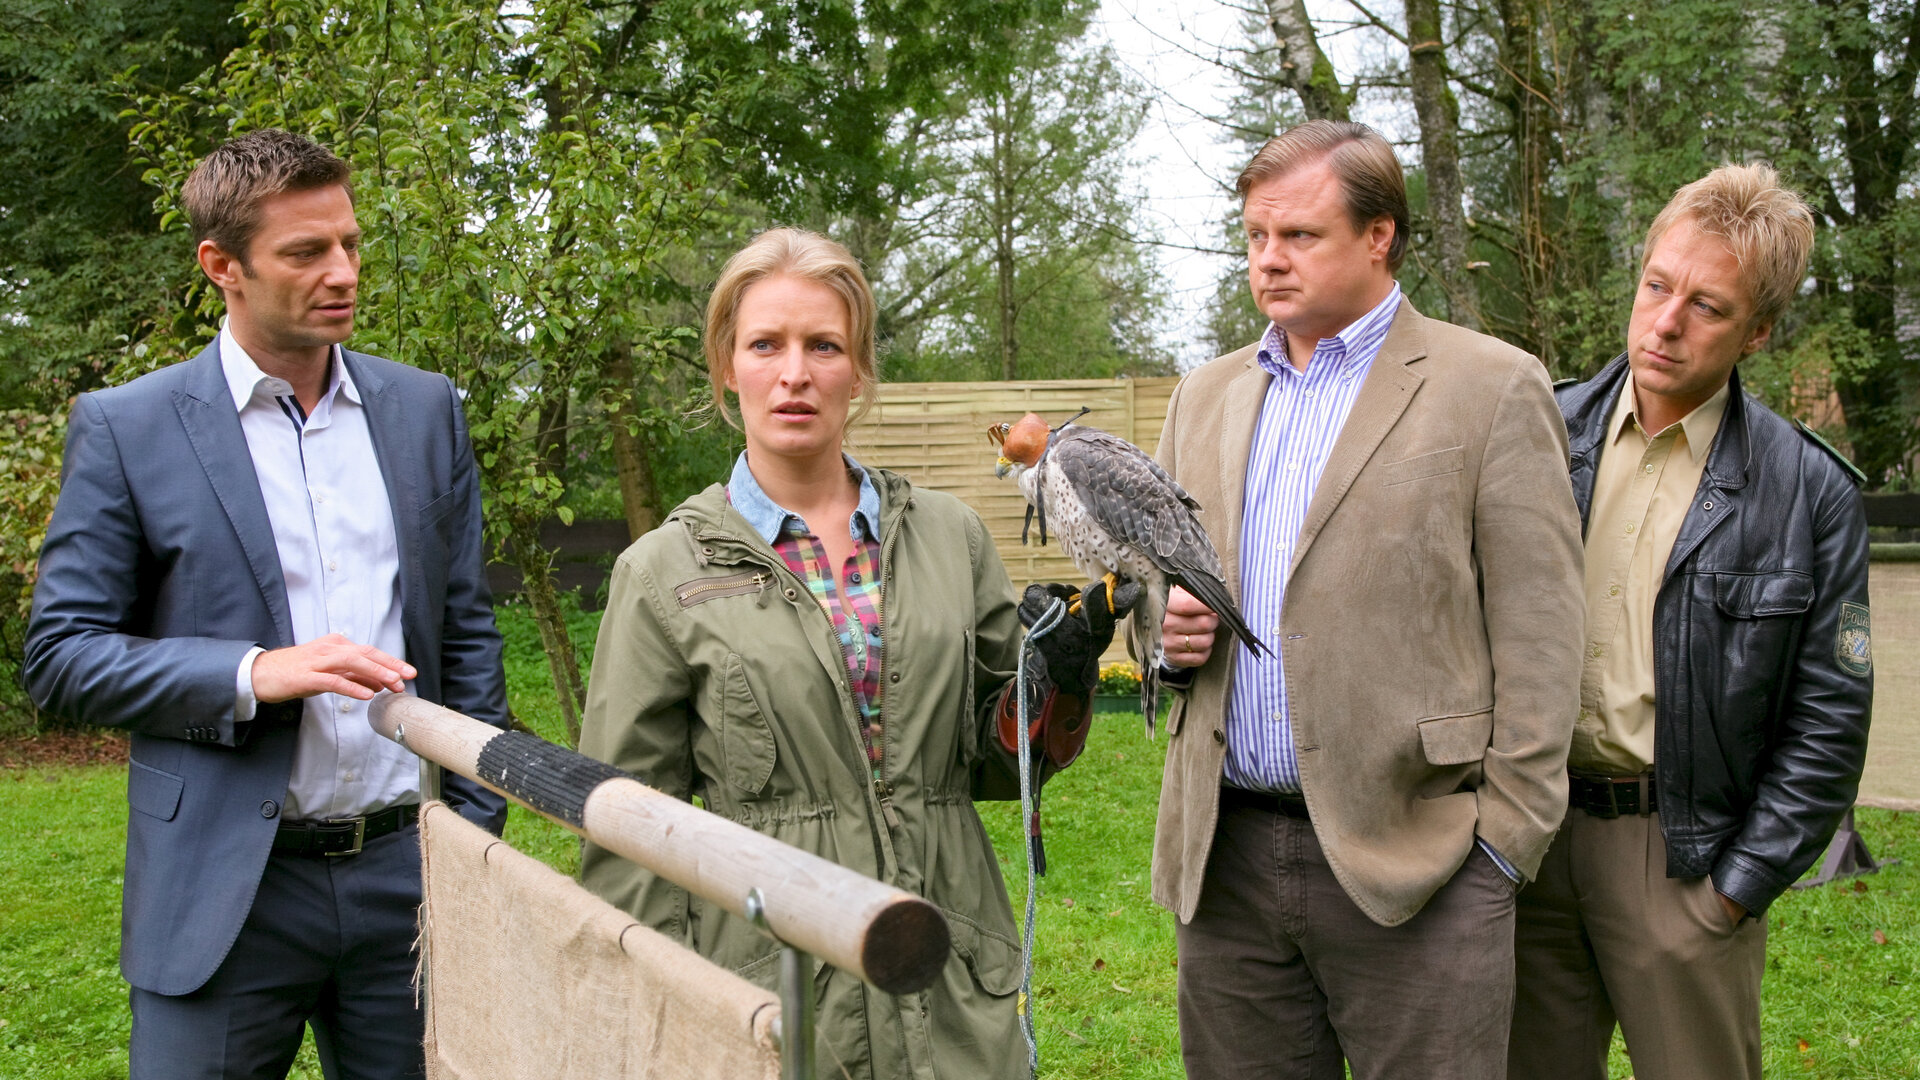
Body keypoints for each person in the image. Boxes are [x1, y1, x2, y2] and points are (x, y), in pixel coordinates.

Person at [576, 227, 1127, 1080]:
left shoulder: (949, 536)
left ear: (861, 370)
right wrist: (664, 1013)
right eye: (766, 344)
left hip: (951, 972)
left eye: (824, 346)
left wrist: (1057, 678)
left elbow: (997, 761)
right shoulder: (663, 572)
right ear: (727, 368)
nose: (795, 372)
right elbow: (629, 831)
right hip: (776, 993)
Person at [24, 129, 509, 1079]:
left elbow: (465, 630)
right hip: (222, 888)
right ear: (223, 266)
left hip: (407, 879)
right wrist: (253, 672)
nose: (344, 273)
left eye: (351, 244)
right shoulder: (128, 427)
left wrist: (469, 829)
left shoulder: (424, 411)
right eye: (305, 252)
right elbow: (62, 655)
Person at [1144, 119, 1586, 1078]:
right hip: (1227, 867)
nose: (1269, 260)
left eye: (1299, 235)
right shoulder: (1202, 398)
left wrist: (1501, 846)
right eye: (1256, 236)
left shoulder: (1491, 386)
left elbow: (1545, 638)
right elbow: (1158, 598)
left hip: (1422, 865)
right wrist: (1166, 637)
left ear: (1379, 235)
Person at [1508, 164, 1874, 1080]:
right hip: (1527, 838)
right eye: (1656, 287)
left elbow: (1830, 721)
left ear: (1758, 330)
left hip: (1680, 858)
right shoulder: (1537, 431)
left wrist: (1733, 892)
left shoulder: (1808, 491)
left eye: (1707, 306)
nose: (1665, 322)